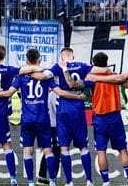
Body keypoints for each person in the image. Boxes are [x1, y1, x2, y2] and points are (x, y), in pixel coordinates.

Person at [0, 49, 82, 186]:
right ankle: (52, 181)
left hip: (27, 120)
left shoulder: (21, 78)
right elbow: (61, 93)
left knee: (28, 151)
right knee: (48, 150)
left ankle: (30, 183)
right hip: (43, 119)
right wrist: (77, 96)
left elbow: (7, 94)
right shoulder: (47, 78)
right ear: (39, 61)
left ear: (27, 62)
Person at [70, 52, 128, 186]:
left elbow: (75, 85)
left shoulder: (92, 79)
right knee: (122, 150)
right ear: (107, 62)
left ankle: (106, 183)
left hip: (100, 119)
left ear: (94, 64)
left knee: (101, 151)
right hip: (115, 117)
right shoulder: (116, 76)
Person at [0, 44, 45, 186]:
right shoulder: (10, 70)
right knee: (7, 147)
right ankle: (13, 179)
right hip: (0, 115)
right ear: (3, 56)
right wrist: (39, 69)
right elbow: (32, 68)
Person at [40, 48, 94, 186]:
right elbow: (97, 71)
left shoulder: (58, 66)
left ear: (62, 56)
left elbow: (44, 76)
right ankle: (89, 181)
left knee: (64, 148)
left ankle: (69, 182)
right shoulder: (83, 65)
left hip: (63, 111)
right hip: (79, 111)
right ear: (73, 56)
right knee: (83, 147)